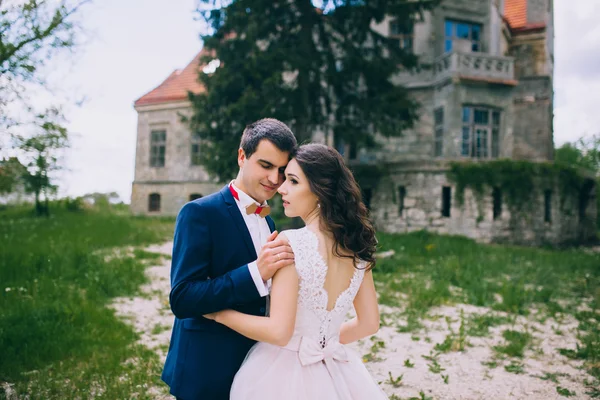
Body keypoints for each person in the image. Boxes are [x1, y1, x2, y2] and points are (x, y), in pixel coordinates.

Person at [204, 143, 388, 399]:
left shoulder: (290, 243)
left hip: (281, 373)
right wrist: (322, 342)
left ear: (320, 191)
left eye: (292, 181)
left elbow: (279, 332)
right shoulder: (357, 249)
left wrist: (219, 314)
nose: (281, 188)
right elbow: (369, 324)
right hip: (334, 368)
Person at [161, 118, 298, 400]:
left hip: (254, 366)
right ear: (241, 156)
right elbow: (183, 298)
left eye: (282, 170)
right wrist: (255, 273)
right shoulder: (199, 213)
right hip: (206, 368)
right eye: (266, 165)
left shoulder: (269, 222)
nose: (275, 179)